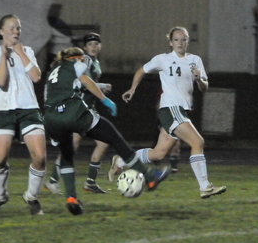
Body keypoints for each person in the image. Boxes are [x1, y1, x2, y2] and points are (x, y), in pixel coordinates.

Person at [44, 47, 169, 215]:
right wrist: (105, 100)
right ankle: (149, 177)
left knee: (67, 154)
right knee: (113, 137)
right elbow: (86, 81)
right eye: (82, 59)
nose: (84, 61)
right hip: (72, 113)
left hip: (51, 118)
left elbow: (50, 96)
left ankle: (71, 198)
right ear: (75, 58)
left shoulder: (53, 71)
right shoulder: (75, 64)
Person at [111, 26, 226, 199]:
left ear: (188, 41)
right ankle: (205, 186)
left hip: (181, 111)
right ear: (170, 42)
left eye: (184, 39)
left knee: (158, 153)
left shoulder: (195, 60)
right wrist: (132, 88)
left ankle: (121, 160)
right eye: (176, 40)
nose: (180, 43)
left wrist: (199, 79)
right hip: (171, 108)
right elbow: (141, 70)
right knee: (197, 142)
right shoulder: (163, 59)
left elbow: (204, 87)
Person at [0, 14, 47, 216]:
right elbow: (1, 81)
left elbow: (36, 77)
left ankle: (31, 196)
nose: (16, 31)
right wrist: (4, 55)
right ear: (1, 32)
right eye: (11, 28)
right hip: (3, 109)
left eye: (18, 28)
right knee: (0, 159)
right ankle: (0, 196)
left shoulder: (27, 51)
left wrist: (20, 53)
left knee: (40, 157)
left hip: (29, 108)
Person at [45, 32, 112, 195]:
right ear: (84, 47)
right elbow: (81, 83)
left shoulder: (95, 62)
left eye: (96, 44)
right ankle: (53, 181)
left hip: (88, 108)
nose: (93, 47)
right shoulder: (85, 60)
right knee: (73, 145)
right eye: (90, 44)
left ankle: (89, 182)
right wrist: (102, 86)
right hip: (79, 109)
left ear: (100, 46)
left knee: (102, 142)